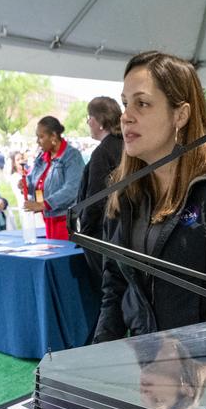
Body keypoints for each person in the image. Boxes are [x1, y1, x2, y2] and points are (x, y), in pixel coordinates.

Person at [93, 50, 206, 342]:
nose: (126, 117)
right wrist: (97, 354)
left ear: (181, 114)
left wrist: (196, 366)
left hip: (204, 373)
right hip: (142, 362)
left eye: (142, 103)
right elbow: (116, 288)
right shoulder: (125, 190)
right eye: (125, 103)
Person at [76, 97, 125, 280]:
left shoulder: (103, 152)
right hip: (123, 231)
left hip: (103, 234)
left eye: (89, 117)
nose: (88, 122)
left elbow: (95, 198)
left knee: (110, 289)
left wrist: (85, 233)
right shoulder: (126, 146)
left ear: (99, 121)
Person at [24, 116, 85, 240]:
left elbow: (72, 189)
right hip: (48, 220)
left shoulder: (72, 156)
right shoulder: (42, 158)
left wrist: (44, 204)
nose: (38, 141)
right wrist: (26, 185)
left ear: (53, 136)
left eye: (41, 137)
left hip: (66, 222)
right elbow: (37, 185)